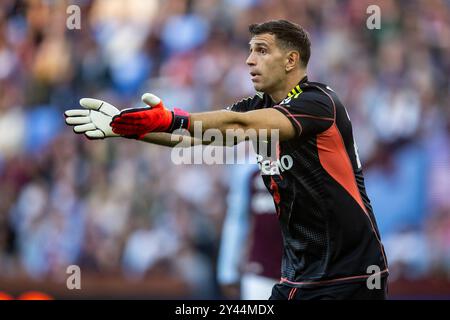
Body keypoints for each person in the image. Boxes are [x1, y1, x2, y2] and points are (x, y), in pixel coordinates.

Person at [65, 19, 389, 300]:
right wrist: (128, 128)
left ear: (291, 60)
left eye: (261, 51)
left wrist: (172, 118)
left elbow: (238, 125)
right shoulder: (258, 108)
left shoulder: (318, 101)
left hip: (349, 274)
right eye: (250, 51)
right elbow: (192, 137)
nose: (249, 60)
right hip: (300, 278)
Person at [217, 162, 282, 300]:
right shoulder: (249, 171)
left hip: (303, 270)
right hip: (260, 267)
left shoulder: (305, 163)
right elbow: (238, 219)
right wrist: (228, 270)